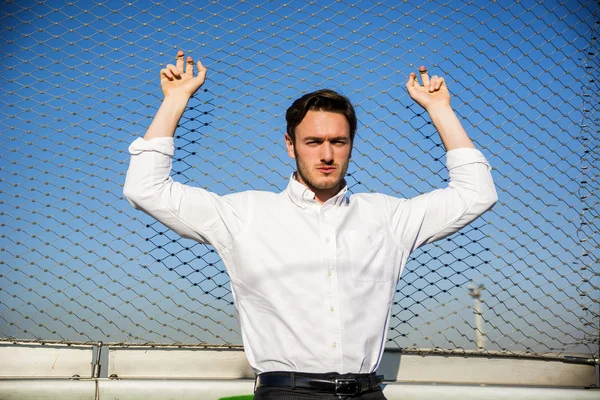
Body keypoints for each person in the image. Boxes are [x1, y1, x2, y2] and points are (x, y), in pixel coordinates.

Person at [123, 50, 497, 399]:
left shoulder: (388, 218)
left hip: (368, 391)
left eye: (338, 141)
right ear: (291, 145)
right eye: (314, 141)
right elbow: (146, 189)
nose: (327, 154)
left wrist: (439, 109)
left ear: (351, 145)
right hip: (286, 394)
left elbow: (476, 193)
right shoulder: (243, 215)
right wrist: (175, 100)